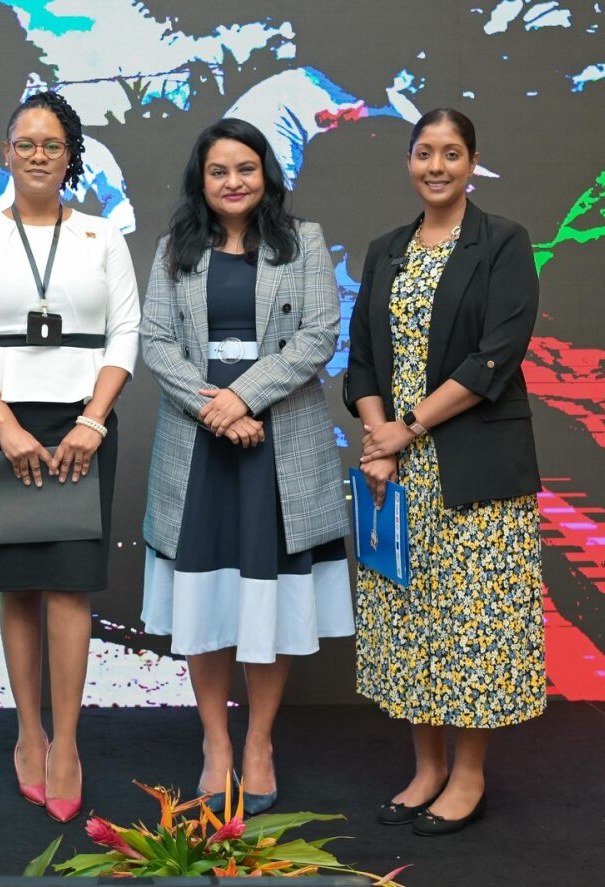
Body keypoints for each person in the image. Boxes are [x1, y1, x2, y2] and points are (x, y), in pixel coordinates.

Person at [139, 118, 353, 815]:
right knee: (206, 601)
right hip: (201, 447)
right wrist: (217, 410)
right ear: (201, 181)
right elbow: (156, 340)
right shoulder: (177, 249)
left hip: (277, 442)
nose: (234, 181)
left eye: (246, 168)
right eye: (219, 171)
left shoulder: (304, 243)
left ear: (266, 174)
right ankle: (215, 742)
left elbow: (319, 335)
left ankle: (258, 740)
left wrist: (244, 397)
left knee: (270, 599)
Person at [345, 108, 543, 836]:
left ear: (472, 162)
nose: (436, 166)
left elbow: (496, 355)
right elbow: (363, 357)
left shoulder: (503, 243)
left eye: (451, 153)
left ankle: (468, 776)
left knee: (470, 627)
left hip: (472, 465)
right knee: (410, 622)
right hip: (394, 471)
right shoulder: (386, 249)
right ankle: (425, 769)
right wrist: (379, 438)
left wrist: (410, 426)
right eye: (424, 153)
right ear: (408, 161)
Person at [0, 91, 140, 823]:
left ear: (70, 157)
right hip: (3, 421)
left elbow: (126, 334)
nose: (36, 154)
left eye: (51, 144)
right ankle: (28, 732)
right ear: (5, 152)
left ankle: (68, 742)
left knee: (69, 585)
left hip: (83, 422)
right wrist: (4, 426)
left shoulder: (101, 236)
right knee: (17, 585)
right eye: (24, 142)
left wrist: (93, 419)